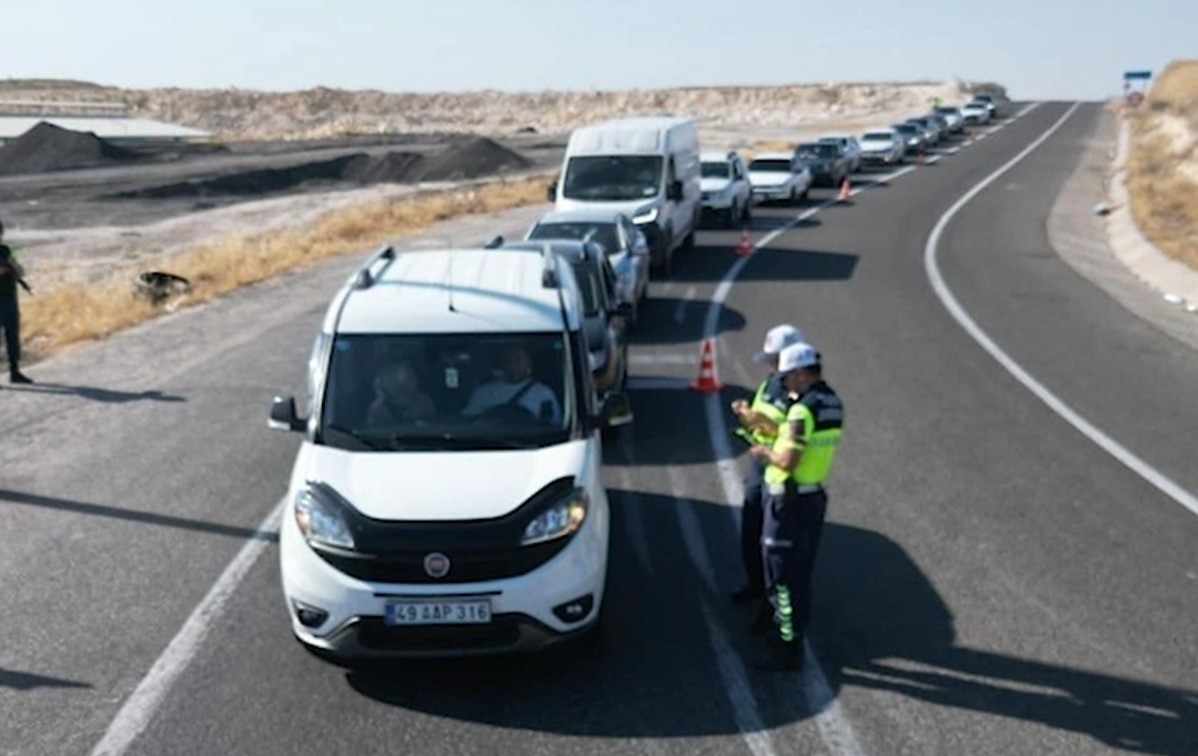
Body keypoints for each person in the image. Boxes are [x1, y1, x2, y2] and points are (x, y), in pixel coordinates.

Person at [748, 341, 844, 671]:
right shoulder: (832, 403)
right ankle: (790, 638)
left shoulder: (802, 409)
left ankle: (786, 644)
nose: (785, 383)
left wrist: (765, 453)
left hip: (788, 500)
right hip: (811, 496)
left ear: (802, 374)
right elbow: (796, 439)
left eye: (788, 377)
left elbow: (788, 458)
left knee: (781, 575)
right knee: (800, 574)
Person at [729, 324, 804, 630]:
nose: (770, 364)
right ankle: (756, 586)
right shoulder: (771, 382)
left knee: (773, 547)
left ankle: (772, 609)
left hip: (780, 474)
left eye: (775, 358)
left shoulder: (797, 393)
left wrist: (754, 418)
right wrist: (748, 416)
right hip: (760, 468)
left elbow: (789, 434)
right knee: (750, 532)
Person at [462, 343, 561, 425]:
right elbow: (469, 423)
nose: (512, 364)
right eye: (508, 359)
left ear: (528, 363)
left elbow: (554, 425)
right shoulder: (483, 392)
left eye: (517, 360)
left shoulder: (544, 394)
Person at [0, 220, 33, 385]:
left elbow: (19, 270)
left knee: (12, 335)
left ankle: (15, 371)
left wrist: (14, 268)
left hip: (9, 297)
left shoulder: (6, 250)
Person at [367, 361, 435, 426]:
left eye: (414, 377)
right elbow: (375, 431)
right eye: (410, 379)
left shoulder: (424, 402)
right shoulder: (380, 408)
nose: (416, 381)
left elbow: (433, 425)